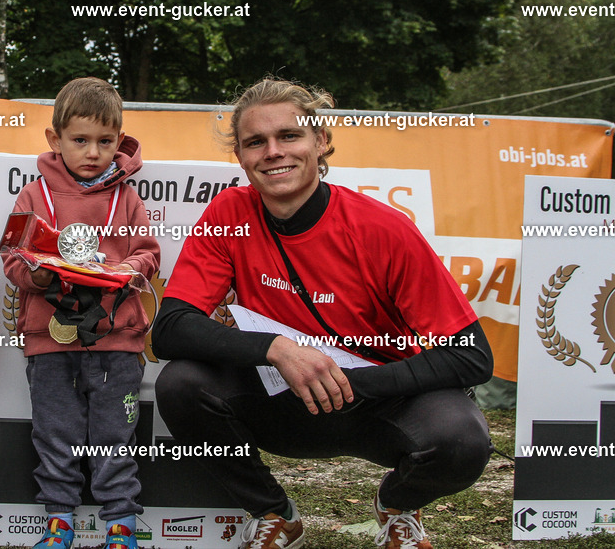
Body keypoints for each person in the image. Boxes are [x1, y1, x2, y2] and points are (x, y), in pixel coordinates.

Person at [151, 78, 494, 549]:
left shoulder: (384, 227)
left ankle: (396, 506)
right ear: (241, 156)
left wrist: (357, 386)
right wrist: (276, 349)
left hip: (377, 401)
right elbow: (170, 328)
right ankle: (274, 514)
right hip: (284, 400)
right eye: (256, 142)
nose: (273, 151)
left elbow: (472, 357)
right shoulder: (229, 212)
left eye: (289, 135)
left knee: (463, 440)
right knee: (180, 383)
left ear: (321, 141)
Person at [3, 77, 161, 549]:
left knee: (115, 435)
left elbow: (149, 255)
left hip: (117, 340)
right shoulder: (33, 196)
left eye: (106, 142)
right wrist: (44, 274)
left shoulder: (128, 198)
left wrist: (124, 270)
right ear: (55, 140)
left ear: (119, 140)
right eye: (80, 140)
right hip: (50, 341)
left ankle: (120, 524)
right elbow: (13, 257)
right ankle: (59, 521)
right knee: (55, 432)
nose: (94, 152)